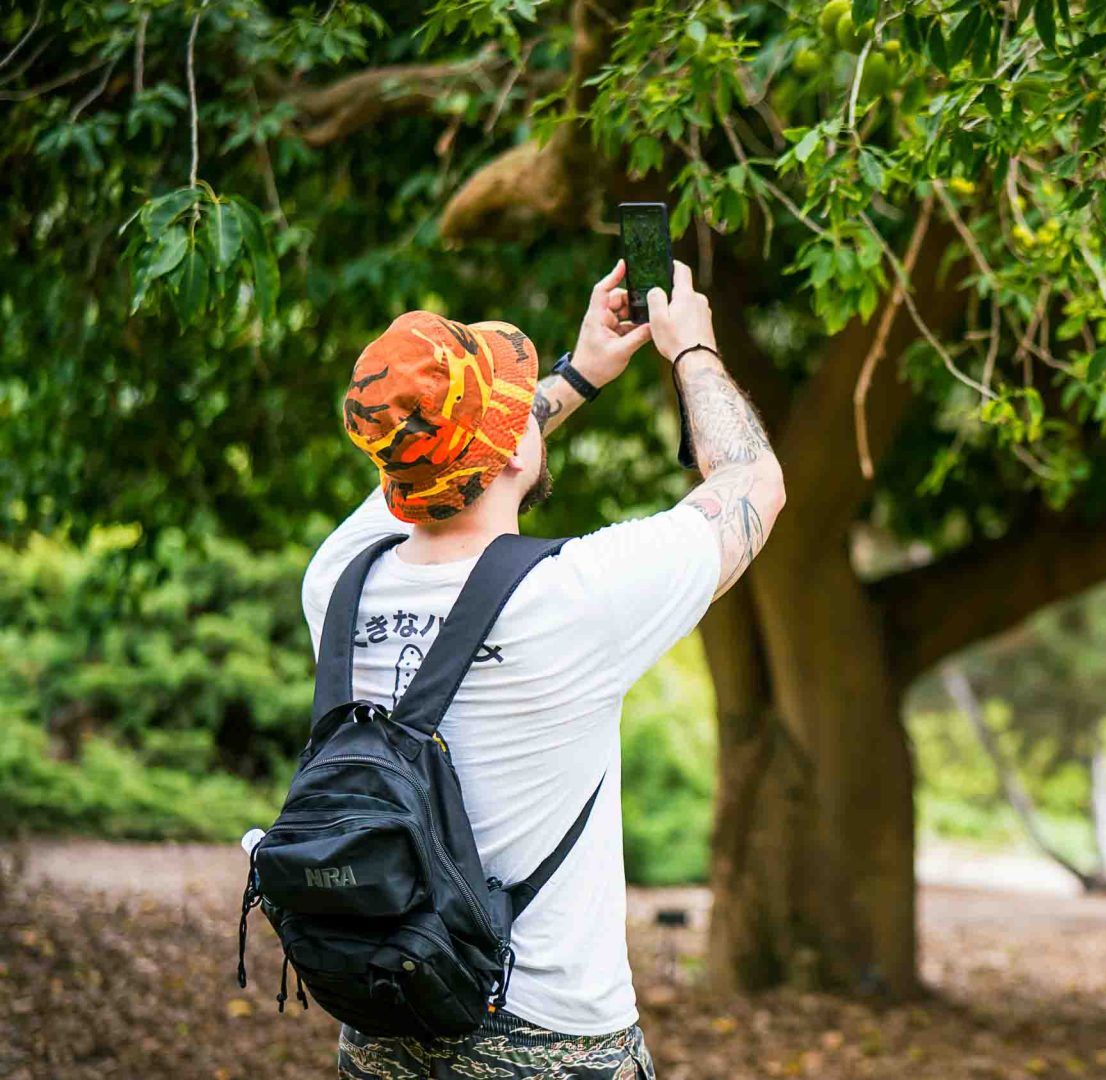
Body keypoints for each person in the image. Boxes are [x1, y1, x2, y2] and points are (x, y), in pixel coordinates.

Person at [302, 260, 784, 1079]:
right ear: (513, 453)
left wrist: (582, 371)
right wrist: (692, 349)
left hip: (379, 1027)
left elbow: (439, 459)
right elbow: (754, 482)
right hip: (553, 1042)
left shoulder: (339, 582)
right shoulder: (575, 598)